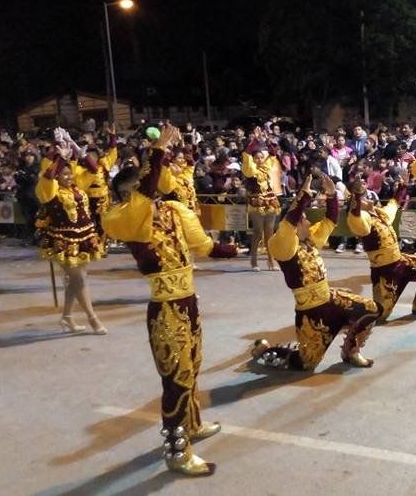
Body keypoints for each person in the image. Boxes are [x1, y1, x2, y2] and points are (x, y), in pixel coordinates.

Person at [103, 123, 239, 477]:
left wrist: (229, 250)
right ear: (124, 197)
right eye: (132, 192)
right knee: (175, 379)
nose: (143, 195)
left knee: (192, 368)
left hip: (189, 302)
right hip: (165, 309)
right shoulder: (121, 219)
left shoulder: (173, 212)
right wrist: (157, 151)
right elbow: (145, 195)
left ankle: (192, 424)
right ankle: (177, 452)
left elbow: (203, 245)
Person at [251, 173, 381, 369]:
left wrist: (332, 195)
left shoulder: (309, 240)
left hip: (331, 299)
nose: (309, 223)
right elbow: (288, 224)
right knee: (307, 363)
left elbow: (330, 220)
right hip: (310, 312)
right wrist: (303, 195)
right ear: (295, 225)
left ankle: (351, 351)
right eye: (304, 220)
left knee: (371, 309)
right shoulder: (281, 245)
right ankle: (266, 351)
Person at [36, 131, 106, 334]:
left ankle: (66, 317)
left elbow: (94, 169)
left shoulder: (77, 186)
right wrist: (60, 158)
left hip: (84, 237)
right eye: (64, 174)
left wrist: (78, 151)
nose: (68, 177)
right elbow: (48, 176)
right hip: (63, 240)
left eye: (70, 173)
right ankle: (93, 319)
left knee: (76, 280)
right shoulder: (50, 190)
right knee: (79, 279)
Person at [346, 173, 416, 323]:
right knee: (379, 315)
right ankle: (345, 311)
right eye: (362, 199)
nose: (367, 199)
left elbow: (394, 204)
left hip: (401, 261)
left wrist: (403, 185)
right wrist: (356, 196)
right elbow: (354, 214)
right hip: (385, 272)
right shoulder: (360, 221)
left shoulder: (380, 214)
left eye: (364, 196)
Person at [241, 143, 283, 271]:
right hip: (256, 202)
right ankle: (254, 260)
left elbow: (273, 154)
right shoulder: (250, 169)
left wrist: (268, 142)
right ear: (253, 159)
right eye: (257, 158)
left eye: (261, 157)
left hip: (270, 201)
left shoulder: (266, 167)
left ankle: (271, 260)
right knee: (258, 232)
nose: (259, 160)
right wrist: (253, 141)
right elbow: (246, 155)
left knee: (270, 232)